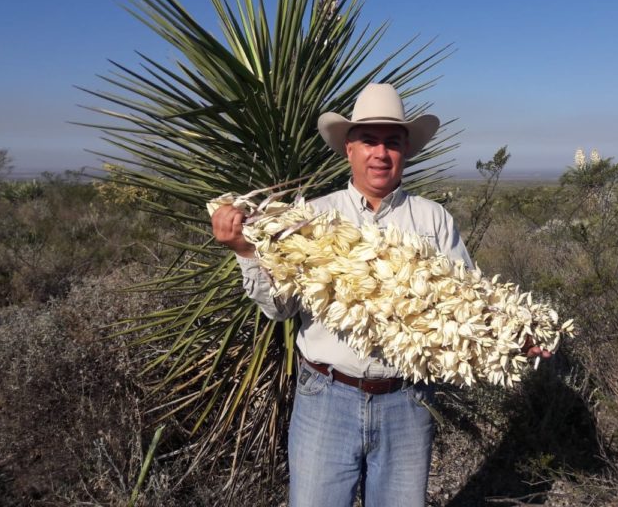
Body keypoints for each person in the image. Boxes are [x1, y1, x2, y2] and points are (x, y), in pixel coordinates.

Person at [211, 83, 550, 506]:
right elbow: (279, 308)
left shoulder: (433, 218)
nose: (380, 153)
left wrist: (514, 334)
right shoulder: (310, 217)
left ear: (405, 151)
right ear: (349, 149)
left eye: (392, 142)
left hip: (406, 402)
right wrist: (246, 252)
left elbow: (466, 302)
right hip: (325, 398)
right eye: (368, 141)